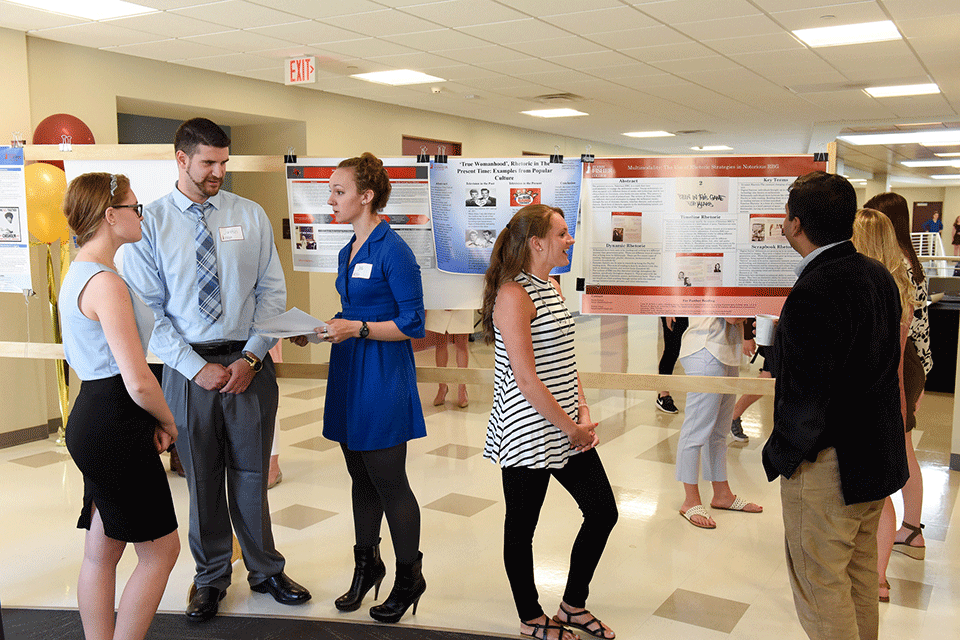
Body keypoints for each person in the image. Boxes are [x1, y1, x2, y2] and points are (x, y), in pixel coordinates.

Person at [124, 117, 310, 622]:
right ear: (181, 160)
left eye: (224, 162)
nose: (218, 172)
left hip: (248, 361)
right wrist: (193, 367)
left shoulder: (248, 215)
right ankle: (209, 578)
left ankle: (265, 569)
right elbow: (148, 310)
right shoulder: (150, 224)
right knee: (202, 477)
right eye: (209, 162)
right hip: (187, 369)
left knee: (253, 474)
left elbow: (271, 294)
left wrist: (251, 358)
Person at [762, 171, 908, 640]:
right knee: (859, 581)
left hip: (829, 468)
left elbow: (806, 398)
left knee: (822, 589)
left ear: (796, 224)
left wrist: (783, 454)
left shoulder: (814, 291)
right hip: (876, 458)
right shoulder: (878, 275)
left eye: (785, 217)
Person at [291, 152, 427, 623]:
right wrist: (322, 328)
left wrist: (359, 328)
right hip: (350, 369)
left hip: (384, 375)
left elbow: (413, 324)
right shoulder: (349, 248)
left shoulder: (394, 250)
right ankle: (367, 567)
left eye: (339, 191)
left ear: (366, 197)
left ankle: (410, 576)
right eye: (331, 191)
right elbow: (351, 312)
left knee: (390, 481)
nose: (331, 199)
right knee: (360, 477)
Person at [481, 204, 618, 640]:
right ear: (536, 242)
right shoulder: (512, 294)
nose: (569, 239)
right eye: (562, 234)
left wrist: (582, 411)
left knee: (603, 512)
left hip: (563, 426)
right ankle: (530, 618)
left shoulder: (551, 286)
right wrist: (570, 427)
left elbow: (563, 359)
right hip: (525, 431)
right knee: (522, 529)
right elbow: (524, 377)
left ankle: (573, 605)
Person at [60, 173, 180, 640]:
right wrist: (169, 421)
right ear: (111, 216)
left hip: (92, 414)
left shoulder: (78, 272)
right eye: (135, 207)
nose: (141, 215)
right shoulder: (107, 283)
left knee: (102, 549)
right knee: (160, 551)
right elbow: (138, 380)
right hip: (113, 419)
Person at [850, 207, 917, 604]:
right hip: (890, 398)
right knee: (883, 490)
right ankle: (879, 578)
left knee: (857, 489)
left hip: (860, 400)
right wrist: (902, 412)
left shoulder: (861, 289)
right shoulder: (901, 291)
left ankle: (860, 572)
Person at [864, 193, 933, 579]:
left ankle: (905, 536)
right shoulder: (912, 262)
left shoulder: (894, 267)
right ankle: (911, 530)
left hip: (900, 367)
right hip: (913, 363)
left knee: (897, 454)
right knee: (902, 450)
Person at [676, 317, 762, 529]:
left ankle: (722, 494)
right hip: (705, 348)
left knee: (719, 431)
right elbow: (732, 315)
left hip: (726, 350)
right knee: (696, 429)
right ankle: (690, 501)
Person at [426, 308, 473, 408]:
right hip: (440, 301)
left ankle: (462, 388)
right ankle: (442, 387)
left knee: (462, 343)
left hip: (462, 301)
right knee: (440, 342)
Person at [656, 316, 688, 414]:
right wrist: (669, 311)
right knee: (672, 350)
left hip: (693, 310)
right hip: (673, 309)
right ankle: (663, 395)